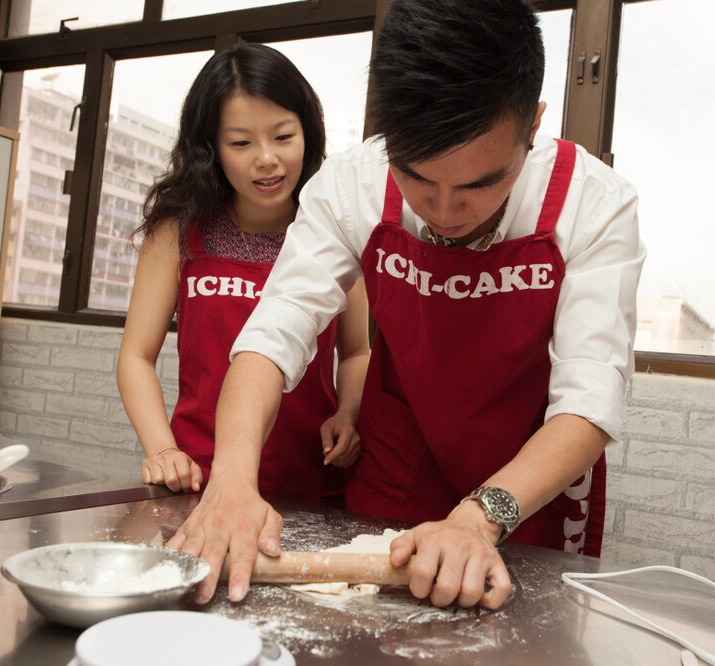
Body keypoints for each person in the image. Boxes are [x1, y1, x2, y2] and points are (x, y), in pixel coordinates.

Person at [168, 0, 644, 610]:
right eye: (417, 177)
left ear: (533, 126)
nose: (445, 211)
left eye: (480, 184)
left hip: (530, 479)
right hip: (402, 457)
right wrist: (233, 481)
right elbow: (271, 337)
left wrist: (479, 518)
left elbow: (589, 399)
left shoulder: (595, 204)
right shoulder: (349, 185)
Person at [116, 43, 369, 505]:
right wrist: (163, 449)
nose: (266, 158)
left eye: (283, 136)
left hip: (310, 480)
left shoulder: (333, 230)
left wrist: (348, 414)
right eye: (241, 143)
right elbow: (136, 356)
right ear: (210, 147)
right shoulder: (177, 232)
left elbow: (356, 351)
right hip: (199, 479)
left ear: (308, 135)